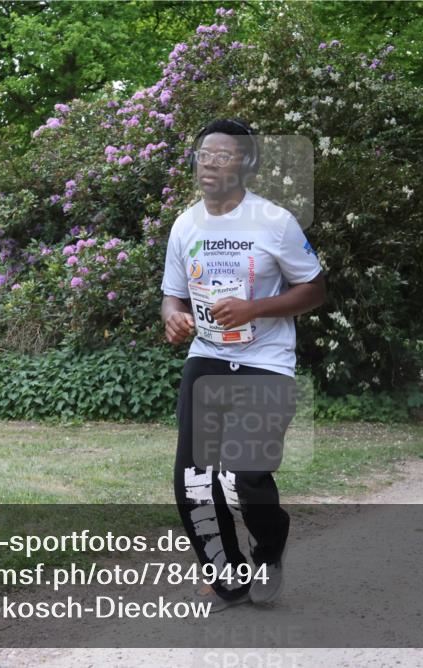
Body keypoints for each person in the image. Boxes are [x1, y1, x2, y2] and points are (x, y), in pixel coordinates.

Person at [161, 118, 325, 611]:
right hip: (207, 359)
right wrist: (175, 319)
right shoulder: (185, 224)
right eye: (203, 154)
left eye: (223, 155)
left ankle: (268, 549)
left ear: (246, 163)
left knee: (247, 475)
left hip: (266, 362)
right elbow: (173, 296)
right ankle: (228, 573)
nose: (209, 163)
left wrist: (254, 308)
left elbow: (315, 290)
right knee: (192, 478)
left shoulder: (274, 221)